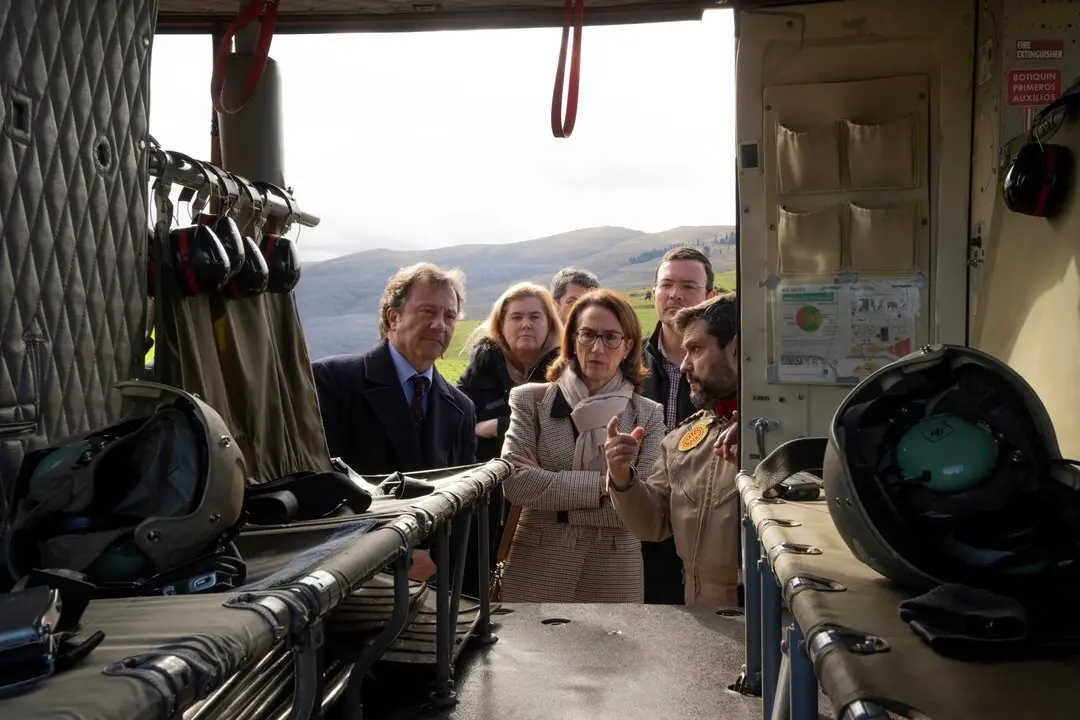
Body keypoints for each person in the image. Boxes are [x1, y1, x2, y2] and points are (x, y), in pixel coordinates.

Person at [497, 288, 666, 603]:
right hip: (536, 567)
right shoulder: (530, 400)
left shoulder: (648, 414)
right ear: (572, 341)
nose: (597, 347)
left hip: (614, 571)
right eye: (587, 334)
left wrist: (548, 485)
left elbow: (644, 510)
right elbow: (515, 484)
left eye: (611, 337)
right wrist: (612, 486)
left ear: (628, 346)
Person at [311, 262, 477, 580]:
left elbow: (462, 504)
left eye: (449, 316)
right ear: (393, 316)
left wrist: (438, 560)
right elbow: (320, 482)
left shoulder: (461, 409)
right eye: (427, 311)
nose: (439, 325)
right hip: (345, 576)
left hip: (426, 585)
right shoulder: (334, 381)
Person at [605, 293, 742, 608]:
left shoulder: (786, 435)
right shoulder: (683, 438)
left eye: (695, 349)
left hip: (771, 622)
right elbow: (652, 524)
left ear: (737, 349)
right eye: (684, 350)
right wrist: (623, 477)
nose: (684, 365)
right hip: (700, 614)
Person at [455, 282, 562, 596]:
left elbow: (559, 434)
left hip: (542, 507)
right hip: (483, 508)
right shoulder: (479, 372)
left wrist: (496, 427)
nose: (525, 324)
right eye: (515, 317)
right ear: (500, 325)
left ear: (550, 324)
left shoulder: (566, 374)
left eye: (535, 316)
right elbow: (460, 427)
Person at [639, 246, 718, 605]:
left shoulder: (728, 368)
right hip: (640, 522)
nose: (675, 294)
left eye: (688, 286)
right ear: (653, 293)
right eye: (666, 284)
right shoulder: (625, 361)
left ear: (710, 297)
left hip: (707, 523)